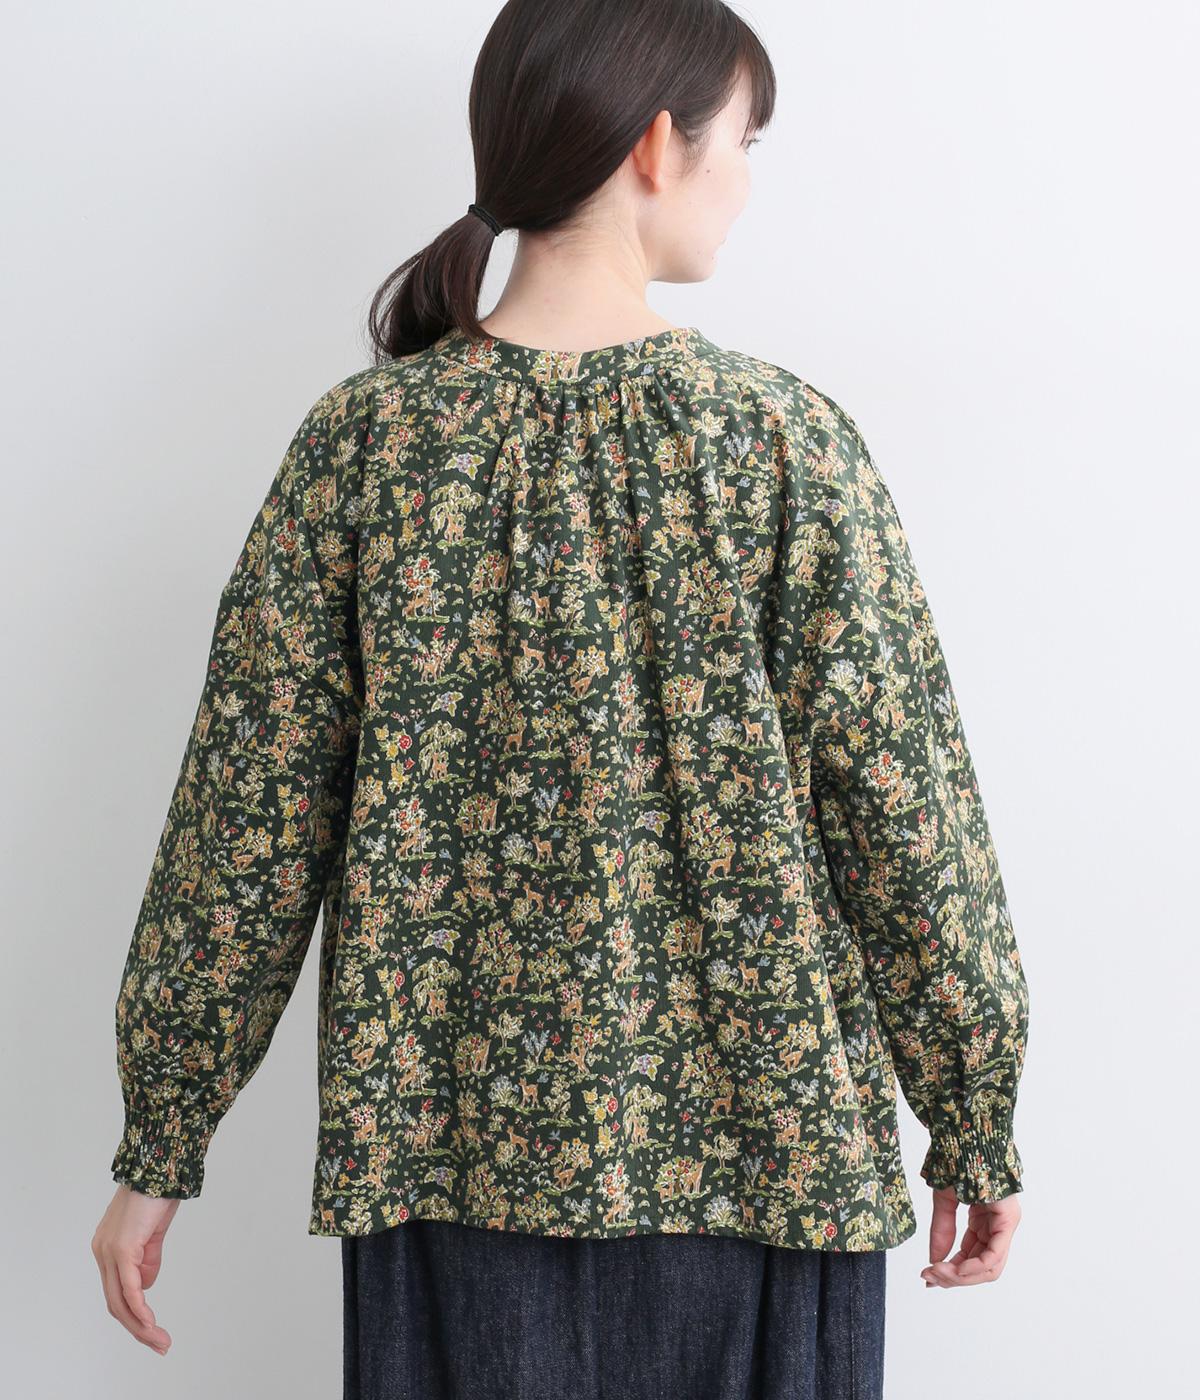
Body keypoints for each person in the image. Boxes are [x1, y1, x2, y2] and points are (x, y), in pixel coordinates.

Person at [92, 1, 1030, 1395]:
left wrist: (161, 1141)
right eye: (744, 142)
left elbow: (247, 822)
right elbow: (905, 815)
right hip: (766, 1161)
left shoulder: (365, 445)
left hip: (443, 1163)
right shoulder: (781, 442)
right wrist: (972, 1111)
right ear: (657, 145)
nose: (748, 182)